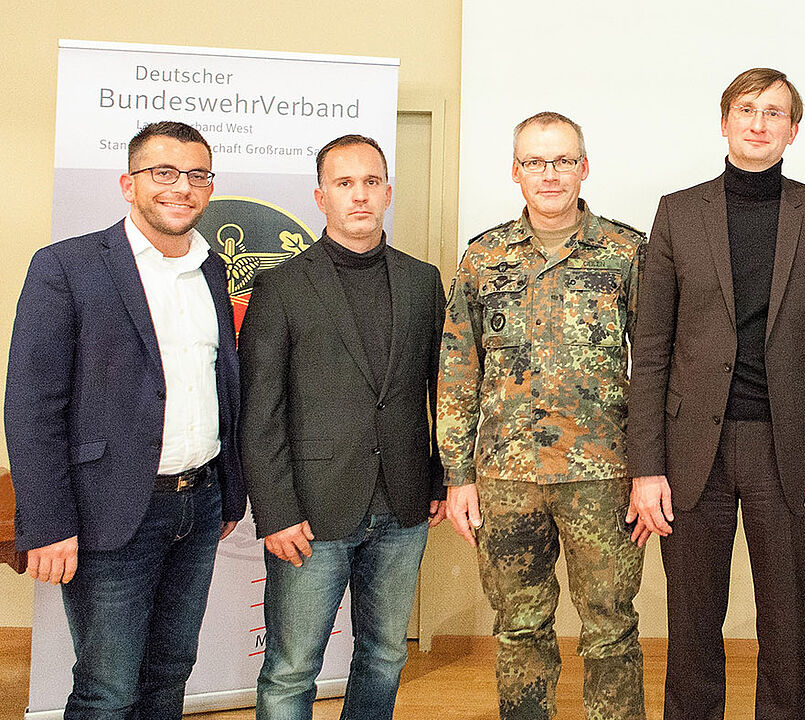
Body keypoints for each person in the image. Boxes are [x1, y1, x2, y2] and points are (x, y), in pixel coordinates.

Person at [628, 68, 805, 720]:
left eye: (775, 113)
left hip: (790, 449)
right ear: (725, 120)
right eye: (748, 109)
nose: (760, 123)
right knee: (692, 623)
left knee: (787, 627)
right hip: (690, 449)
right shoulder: (678, 212)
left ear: (793, 129)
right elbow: (650, 350)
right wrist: (646, 467)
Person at [5, 120, 245, 719]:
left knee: (168, 675)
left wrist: (229, 495)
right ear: (127, 183)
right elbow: (32, 405)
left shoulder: (212, 270)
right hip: (107, 513)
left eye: (197, 175)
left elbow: (223, 385)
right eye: (163, 172)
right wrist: (47, 522)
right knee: (106, 690)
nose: (181, 188)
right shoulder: (67, 267)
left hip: (198, 504)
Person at [438, 112, 645, 720]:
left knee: (610, 627)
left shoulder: (627, 252)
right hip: (507, 479)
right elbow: (457, 368)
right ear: (515, 171)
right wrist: (457, 475)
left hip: (602, 475)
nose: (549, 175)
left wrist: (651, 468)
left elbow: (659, 366)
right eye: (535, 162)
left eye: (562, 161)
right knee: (520, 627)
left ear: (584, 168)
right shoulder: (483, 258)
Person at [238, 134, 447, 720]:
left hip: (403, 509)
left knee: (383, 655)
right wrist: (275, 511)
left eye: (371, 182)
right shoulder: (281, 286)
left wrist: (437, 477)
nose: (360, 196)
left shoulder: (422, 281)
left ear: (388, 192)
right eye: (344, 183)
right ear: (320, 195)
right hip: (311, 512)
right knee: (291, 667)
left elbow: (441, 392)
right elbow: (260, 409)